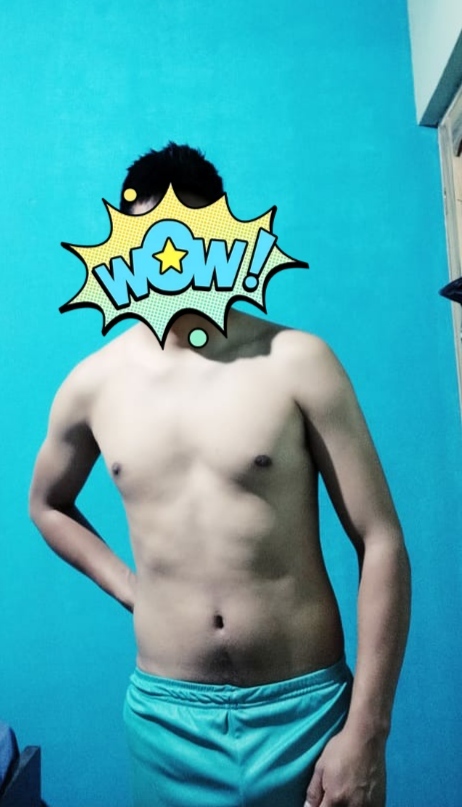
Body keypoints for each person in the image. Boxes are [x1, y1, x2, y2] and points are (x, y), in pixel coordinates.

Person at [29, 143, 411, 807]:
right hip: (167, 724)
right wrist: (129, 586)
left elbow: (381, 541)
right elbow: (46, 503)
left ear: (222, 234)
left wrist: (368, 731)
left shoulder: (298, 361)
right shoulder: (92, 385)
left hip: (308, 715)